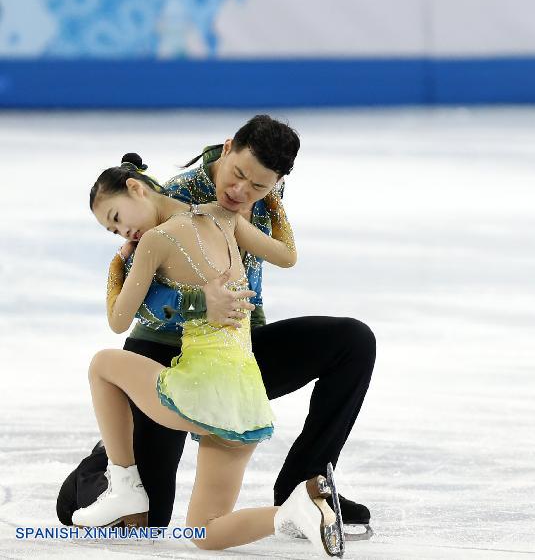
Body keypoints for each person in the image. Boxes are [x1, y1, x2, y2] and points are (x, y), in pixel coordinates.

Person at [57, 115, 376, 540]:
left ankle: (305, 485)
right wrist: (198, 303)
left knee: (352, 341)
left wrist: (272, 205)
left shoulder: (261, 195)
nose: (241, 190)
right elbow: (140, 306)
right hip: (163, 348)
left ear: (276, 182)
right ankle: (111, 461)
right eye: (238, 174)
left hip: (235, 347)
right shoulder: (171, 200)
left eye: (260, 186)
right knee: (147, 520)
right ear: (227, 148)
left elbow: (277, 261)